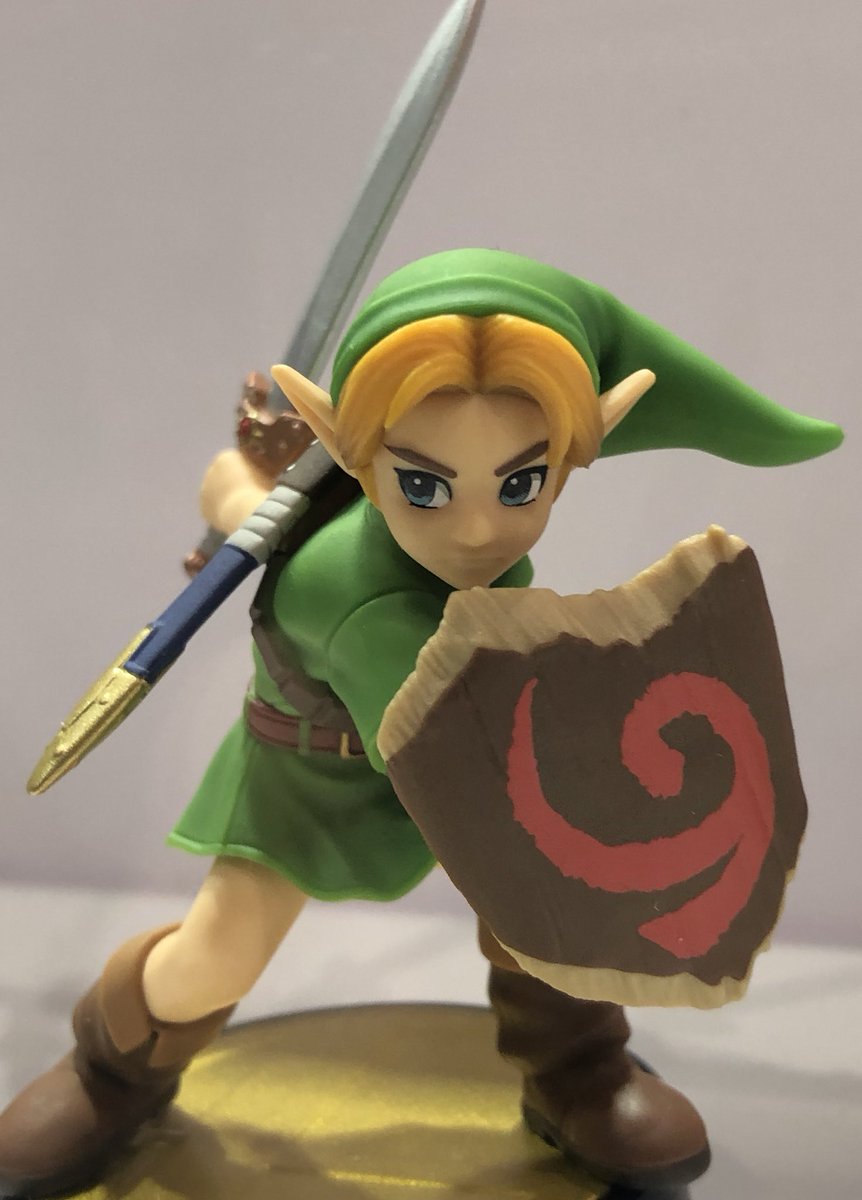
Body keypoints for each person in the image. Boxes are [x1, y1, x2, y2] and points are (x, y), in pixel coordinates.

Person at [0, 249, 842, 1198]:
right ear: (357, 453)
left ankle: (578, 1072)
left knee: (546, 887)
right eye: (426, 486)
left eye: (520, 484)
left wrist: (240, 485)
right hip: (313, 780)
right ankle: (108, 1071)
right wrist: (238, 488)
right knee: (215, 958)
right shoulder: (348, 595)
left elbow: (239, 495)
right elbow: (429, 711)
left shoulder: (435, 548)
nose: (477, 533)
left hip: (476, 759)